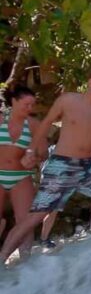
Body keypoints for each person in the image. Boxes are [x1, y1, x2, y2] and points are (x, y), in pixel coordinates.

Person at [0, 67, 91, 263]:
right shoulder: (68, 100)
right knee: (35, 217)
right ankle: (3, 257)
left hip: (88, 166)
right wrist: (31, 150)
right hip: (61, 165)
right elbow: (46, 123)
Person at [0, 86, 41, 257]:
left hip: (21, 175)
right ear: (14, 101)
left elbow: (43, 152)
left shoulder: (34, 124)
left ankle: (24, 264)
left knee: (25, 222)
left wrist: (34, 158)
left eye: (32, 105)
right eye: (26, 104)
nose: (29, 109)